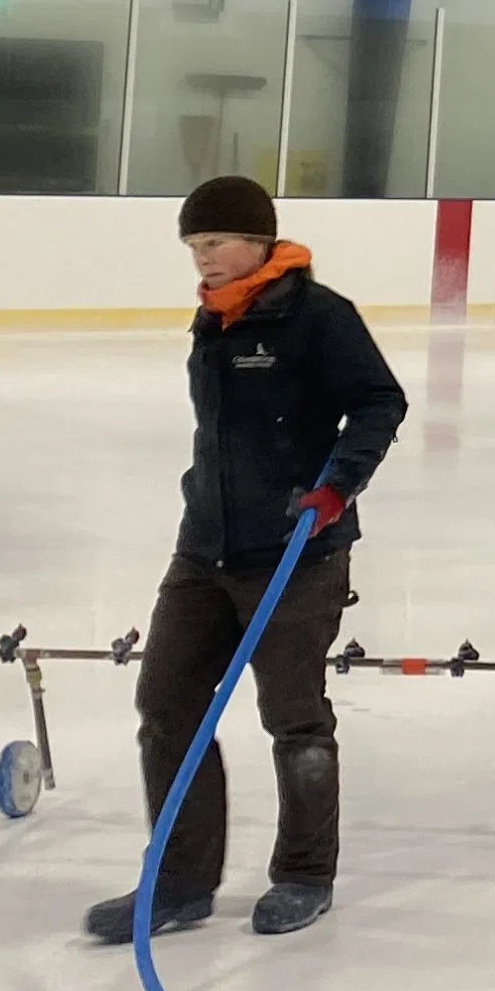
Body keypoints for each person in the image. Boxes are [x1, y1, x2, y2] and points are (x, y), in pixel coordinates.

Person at [87, 174, 407, 945]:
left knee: (293, 718)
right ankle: (181, 881)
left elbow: (378, 403)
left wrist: (334, 488)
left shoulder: (318, 317)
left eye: (216, 242)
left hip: (297, 551)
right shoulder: (216, 320)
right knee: (166, 708)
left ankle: (303, 874)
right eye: (194, 248)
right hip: (205, 545)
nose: (204, 260)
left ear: (260, 240)